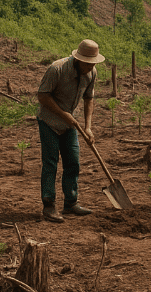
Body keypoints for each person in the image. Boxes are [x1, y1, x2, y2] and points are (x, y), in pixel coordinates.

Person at [36, 39, 104, 223]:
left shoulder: (92, 74)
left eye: (93, 63)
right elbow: (42, 96)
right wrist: (63, 114)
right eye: (88, 63)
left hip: (70, 125)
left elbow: (89, 99)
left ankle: (70, 203)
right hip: (49, 121)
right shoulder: (57, 69)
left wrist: (88, 127)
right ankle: (49, 206)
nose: (91, 67)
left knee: (73, 162)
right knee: (50, 163)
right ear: (78, 59)